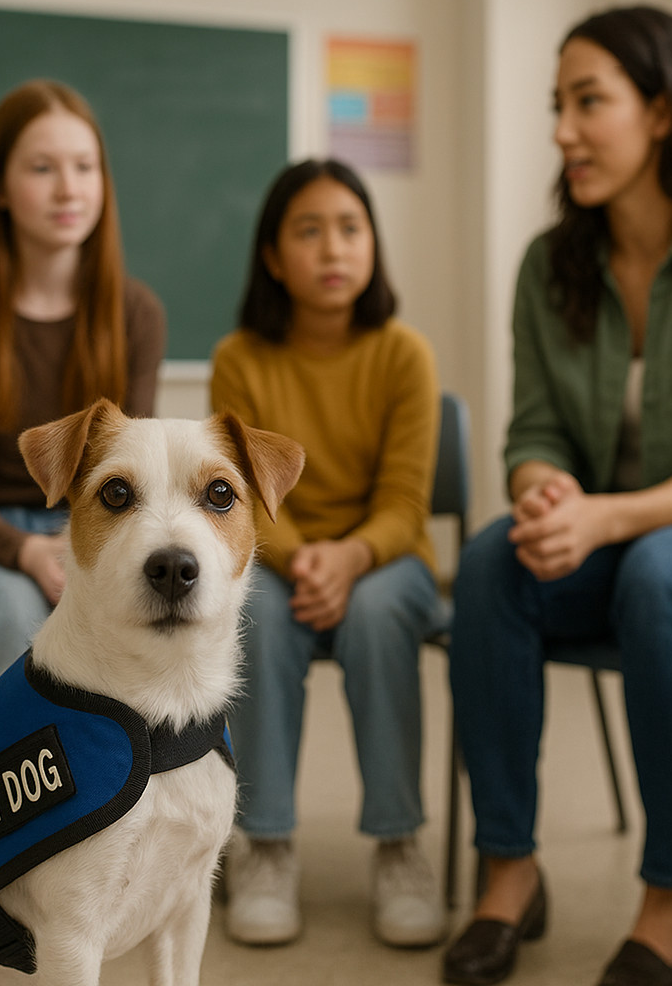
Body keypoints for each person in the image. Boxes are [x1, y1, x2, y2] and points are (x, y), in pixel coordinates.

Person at [442, 6, 672, 986]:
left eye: (587, 101)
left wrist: (603, 517)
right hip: (610, 541)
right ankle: (509, 873)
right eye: (556, 105)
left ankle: (671, 902)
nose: (562, 129)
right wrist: (543, 490)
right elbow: (534, 431)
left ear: (662, 110)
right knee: (489, 559)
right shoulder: (547, 265)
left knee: (660, 572)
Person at [209, 158, 445, 949]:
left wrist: (349, 559)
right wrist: (310, 557)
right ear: (274, 256)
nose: (332, 248)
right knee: (260, 618)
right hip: (283, 558)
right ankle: (266, 845)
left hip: (388, 559)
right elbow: (238, 496)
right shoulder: (241, 358)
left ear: (373, 243)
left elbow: (407, 504)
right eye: (308, 232)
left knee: (378, 617)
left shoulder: (403, 353)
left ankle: (400, 844)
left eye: (350, 228)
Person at [0, 79, 166, 704]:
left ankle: (114, 794)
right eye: (42, 168)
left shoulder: (136, 312)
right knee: (13, 608)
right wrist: (25, 550)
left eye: (84, 167)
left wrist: (74, 549)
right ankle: (4, 797)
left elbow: (136, 476)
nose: (69, 188)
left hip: (93, 528)